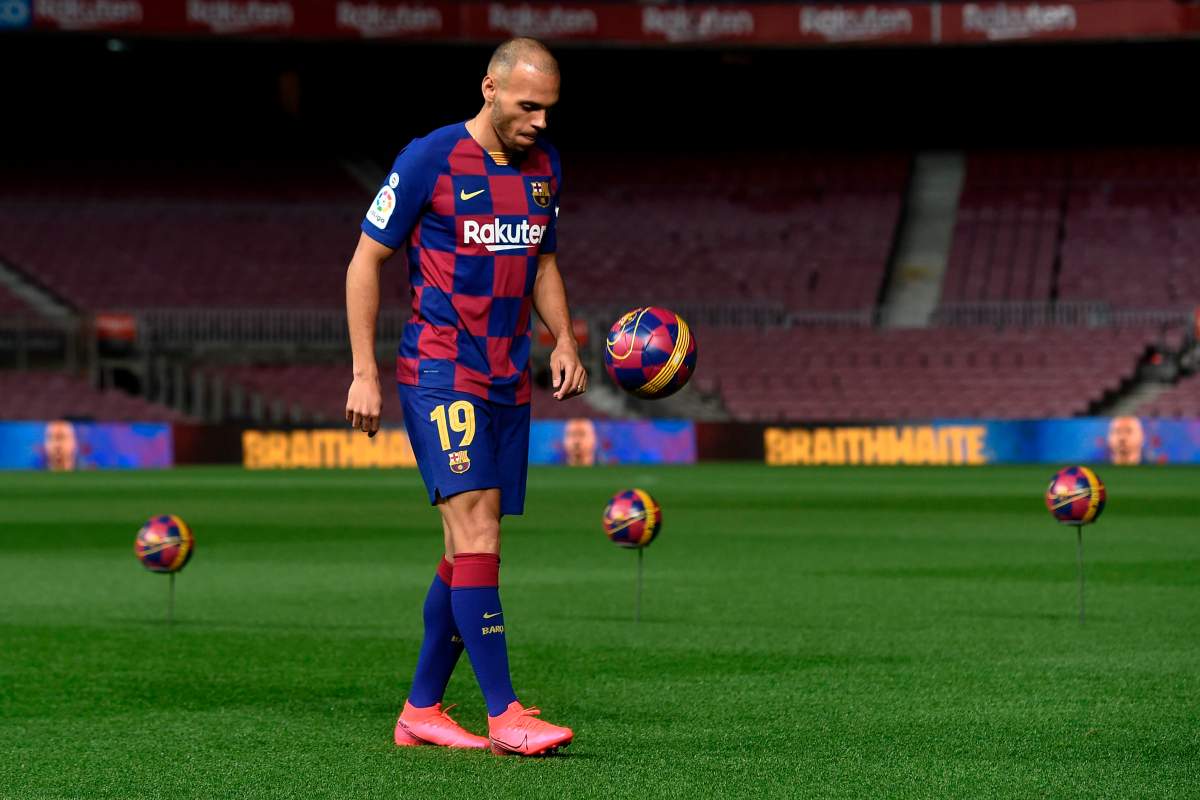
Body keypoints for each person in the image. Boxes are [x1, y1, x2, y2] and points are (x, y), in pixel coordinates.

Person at [343, 37, 585, 757]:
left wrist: (564, 340)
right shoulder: (431, 157)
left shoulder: (545, 167)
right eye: (528, 106)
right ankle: (505, 714)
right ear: (489, 88)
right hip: (441, 369)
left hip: (508, 377)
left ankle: (420, 710)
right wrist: (363, 371)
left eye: (549, 108)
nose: (541, 121)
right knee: (478, 534)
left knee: (466, 548)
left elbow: (543, 262)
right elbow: (365, 261)